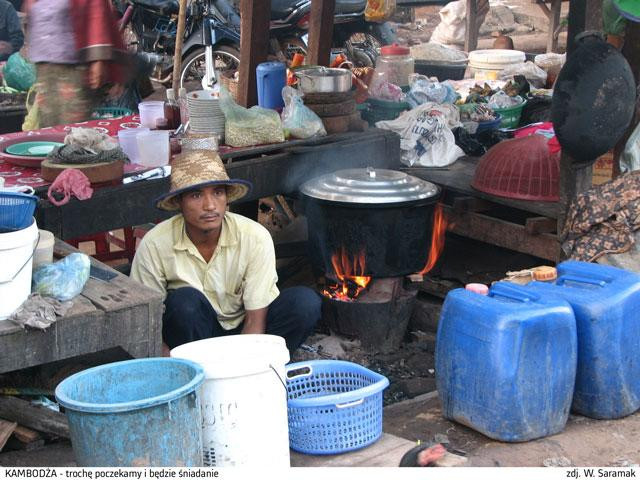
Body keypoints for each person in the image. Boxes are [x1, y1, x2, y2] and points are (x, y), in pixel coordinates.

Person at [130, 150, 321, 355]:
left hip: (246, 331)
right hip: (192, 337)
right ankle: (199, 378)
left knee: (304, 303)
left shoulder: (254, 236)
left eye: (218, 193)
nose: (210, 205)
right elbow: (144, 320)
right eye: (196, 195)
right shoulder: (155, 244)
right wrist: (171, 365)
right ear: (179, 203)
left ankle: (265, 365)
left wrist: (240, 368)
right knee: (184, 303)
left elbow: (255, 319)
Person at [24, 0, 126, 127]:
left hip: (73, 66)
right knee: (48, 120)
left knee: (74, 124)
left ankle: (73, 146)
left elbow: (97, 12)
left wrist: (98, 59)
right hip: (44, 65)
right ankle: (54, 146)